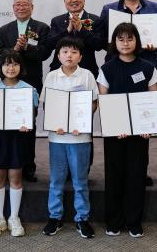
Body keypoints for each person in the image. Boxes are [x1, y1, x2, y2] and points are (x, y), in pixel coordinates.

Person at [99, 0, 157, 187]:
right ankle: (118, 171)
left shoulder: (154, 8)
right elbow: (102, 38)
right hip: (117, 68)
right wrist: (115, 45)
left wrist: (154, 46)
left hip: (144, 66)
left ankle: (141, 170)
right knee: (118, 121)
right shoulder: (109, 9)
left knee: (142, 120)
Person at [97, 22, 157, 238]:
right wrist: (116, 126)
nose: (125, 43)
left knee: (136, 174)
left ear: (137, 41)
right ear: (114, 42)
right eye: (121, 39)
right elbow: (103, 101)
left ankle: (134, 221)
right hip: (115, 133)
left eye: (130, 38)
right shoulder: (106, 68)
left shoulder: (147, 67)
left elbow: (153, 98)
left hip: (140, 133)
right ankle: (114, 221)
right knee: (114, 175)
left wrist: (149, 126)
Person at [40, 37, 98, 239]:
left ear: (80, 56)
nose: (69, 55)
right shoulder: (52, 77)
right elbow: (47, 104)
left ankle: (82, 218)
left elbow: (92, 103)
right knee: (56, 180)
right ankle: (54, 216)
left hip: (80, 138)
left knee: (80, 181)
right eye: (65, 52)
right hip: (57, 138)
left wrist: (79, 123)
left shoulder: (87, 75)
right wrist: (55, 122)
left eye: (74, 52)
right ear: (58, 55)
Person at [0, 0, 51, 182]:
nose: (20, 7)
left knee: (28, 126)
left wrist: (27, 46)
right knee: (6, 125)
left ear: (32, 7)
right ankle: (8, 162)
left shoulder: (42, 28)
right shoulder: (4, 30)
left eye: (24, 4)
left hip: (30, 84)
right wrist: (15, 50)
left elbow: (44, 53)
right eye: (17, 5)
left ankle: (28, 165)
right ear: (13, 8)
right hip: (6, 86)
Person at [0, 50, 38, 237]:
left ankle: (14, 217)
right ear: (0, 67)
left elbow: (32, 115)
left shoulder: (29, 89)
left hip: (18, 138)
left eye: (15, 64)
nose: (11, 67)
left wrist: (27, 125)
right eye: (7, 64)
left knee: (16, 177)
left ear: (21, 67)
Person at [48, 0, 106, 78]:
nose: (74, 0)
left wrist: (80, 29)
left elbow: (99, 45)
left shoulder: (95, 19)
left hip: (87, 72)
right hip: (59, 72)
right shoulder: (57, 21)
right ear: (64, 0)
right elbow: (50, 44)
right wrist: (67, 30)